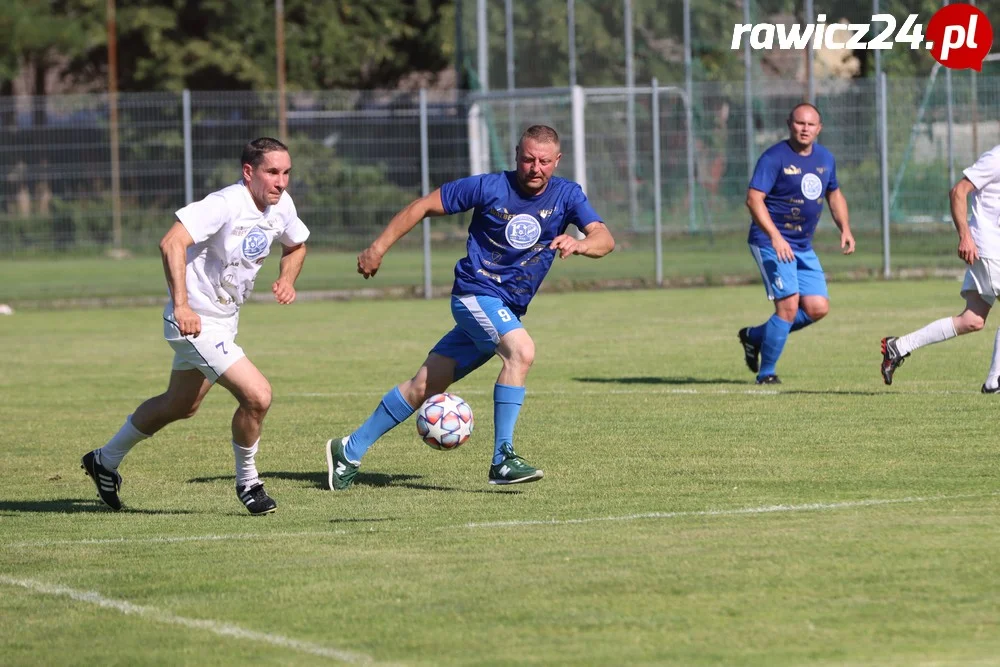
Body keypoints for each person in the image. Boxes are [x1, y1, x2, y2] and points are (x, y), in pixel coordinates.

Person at [324, 124, 614, 489]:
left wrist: (580, 244)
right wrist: (377, 248)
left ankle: (348, 449)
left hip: (503, 307)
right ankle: (502, 459)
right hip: (475, 295)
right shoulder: (488, 187)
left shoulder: (567, 195)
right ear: (516, 155)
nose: (534, 168)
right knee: (521, 351)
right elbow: (422, 206)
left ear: (557, 161)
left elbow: (604, 238)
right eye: (527, 159)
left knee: (424, 385)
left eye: (543, 161)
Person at [81, 137, 309, 514]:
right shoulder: (224, 204)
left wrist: (288, 279)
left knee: (180, 405)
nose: (281, 181)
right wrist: (183, 306)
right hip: (194, 323)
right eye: (272, 172)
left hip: (224, 321)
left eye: (286, 173)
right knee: (258, 395)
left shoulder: (281, 205)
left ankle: (104, 460)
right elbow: (171, 242)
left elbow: (296, 245)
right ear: (249, 172)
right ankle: (249, 483)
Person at [737, 103, 855, 384]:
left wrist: (845, 228)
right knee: (788, 307)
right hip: (770, 241)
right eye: (800, 123)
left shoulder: (825, 158)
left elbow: (834, 194)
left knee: (817, 308)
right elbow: (754, 199)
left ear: (819, 128)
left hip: (802, 245)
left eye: (811, 124)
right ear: (790, 124)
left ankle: (753, 337)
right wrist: (775, 237)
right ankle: (766, 374)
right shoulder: (774, 157)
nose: (805, 129)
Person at [881, 145, 1000, 391]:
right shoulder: (997, 157)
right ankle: (994, 381)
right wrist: (964, 236)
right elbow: (958, 192)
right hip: (987, 246)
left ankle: (899, 346)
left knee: (972, 320)